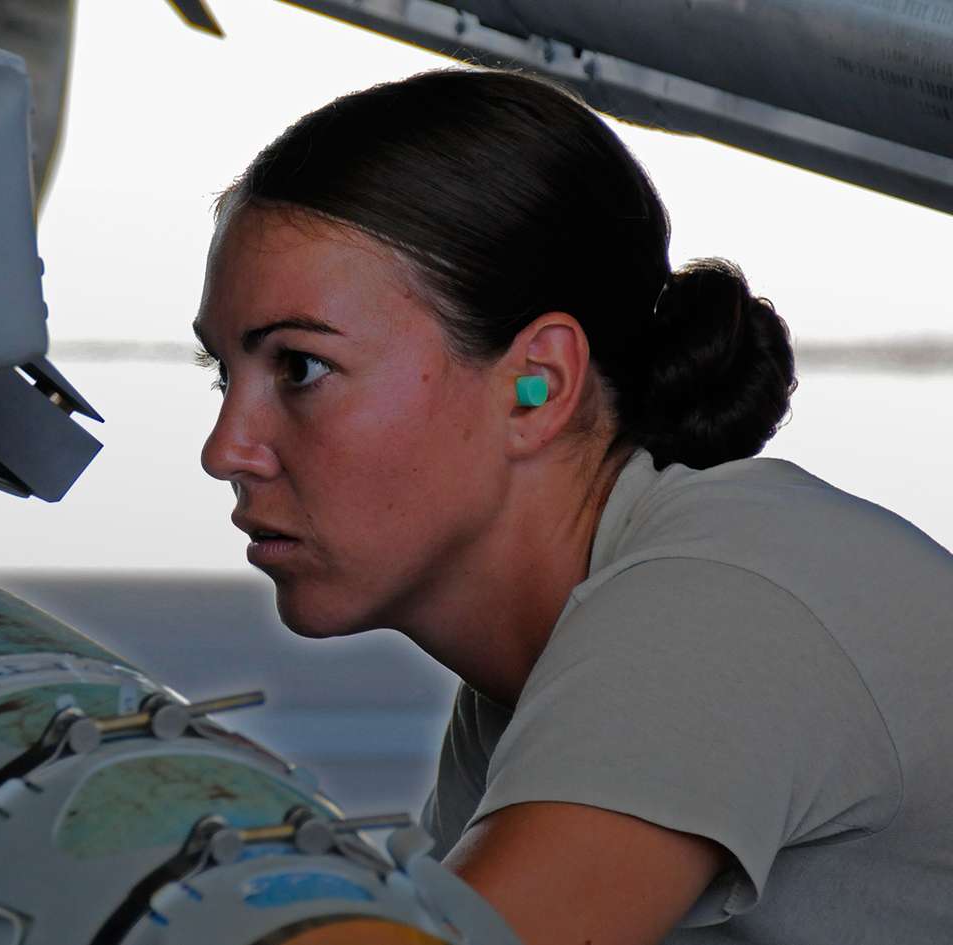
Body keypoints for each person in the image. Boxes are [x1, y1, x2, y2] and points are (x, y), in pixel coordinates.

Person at [191, 69, 953, 945]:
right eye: (224, 374)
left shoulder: (715, 609)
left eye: (300, 367)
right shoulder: (530, 683)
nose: (225, 451)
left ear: (538, 385)